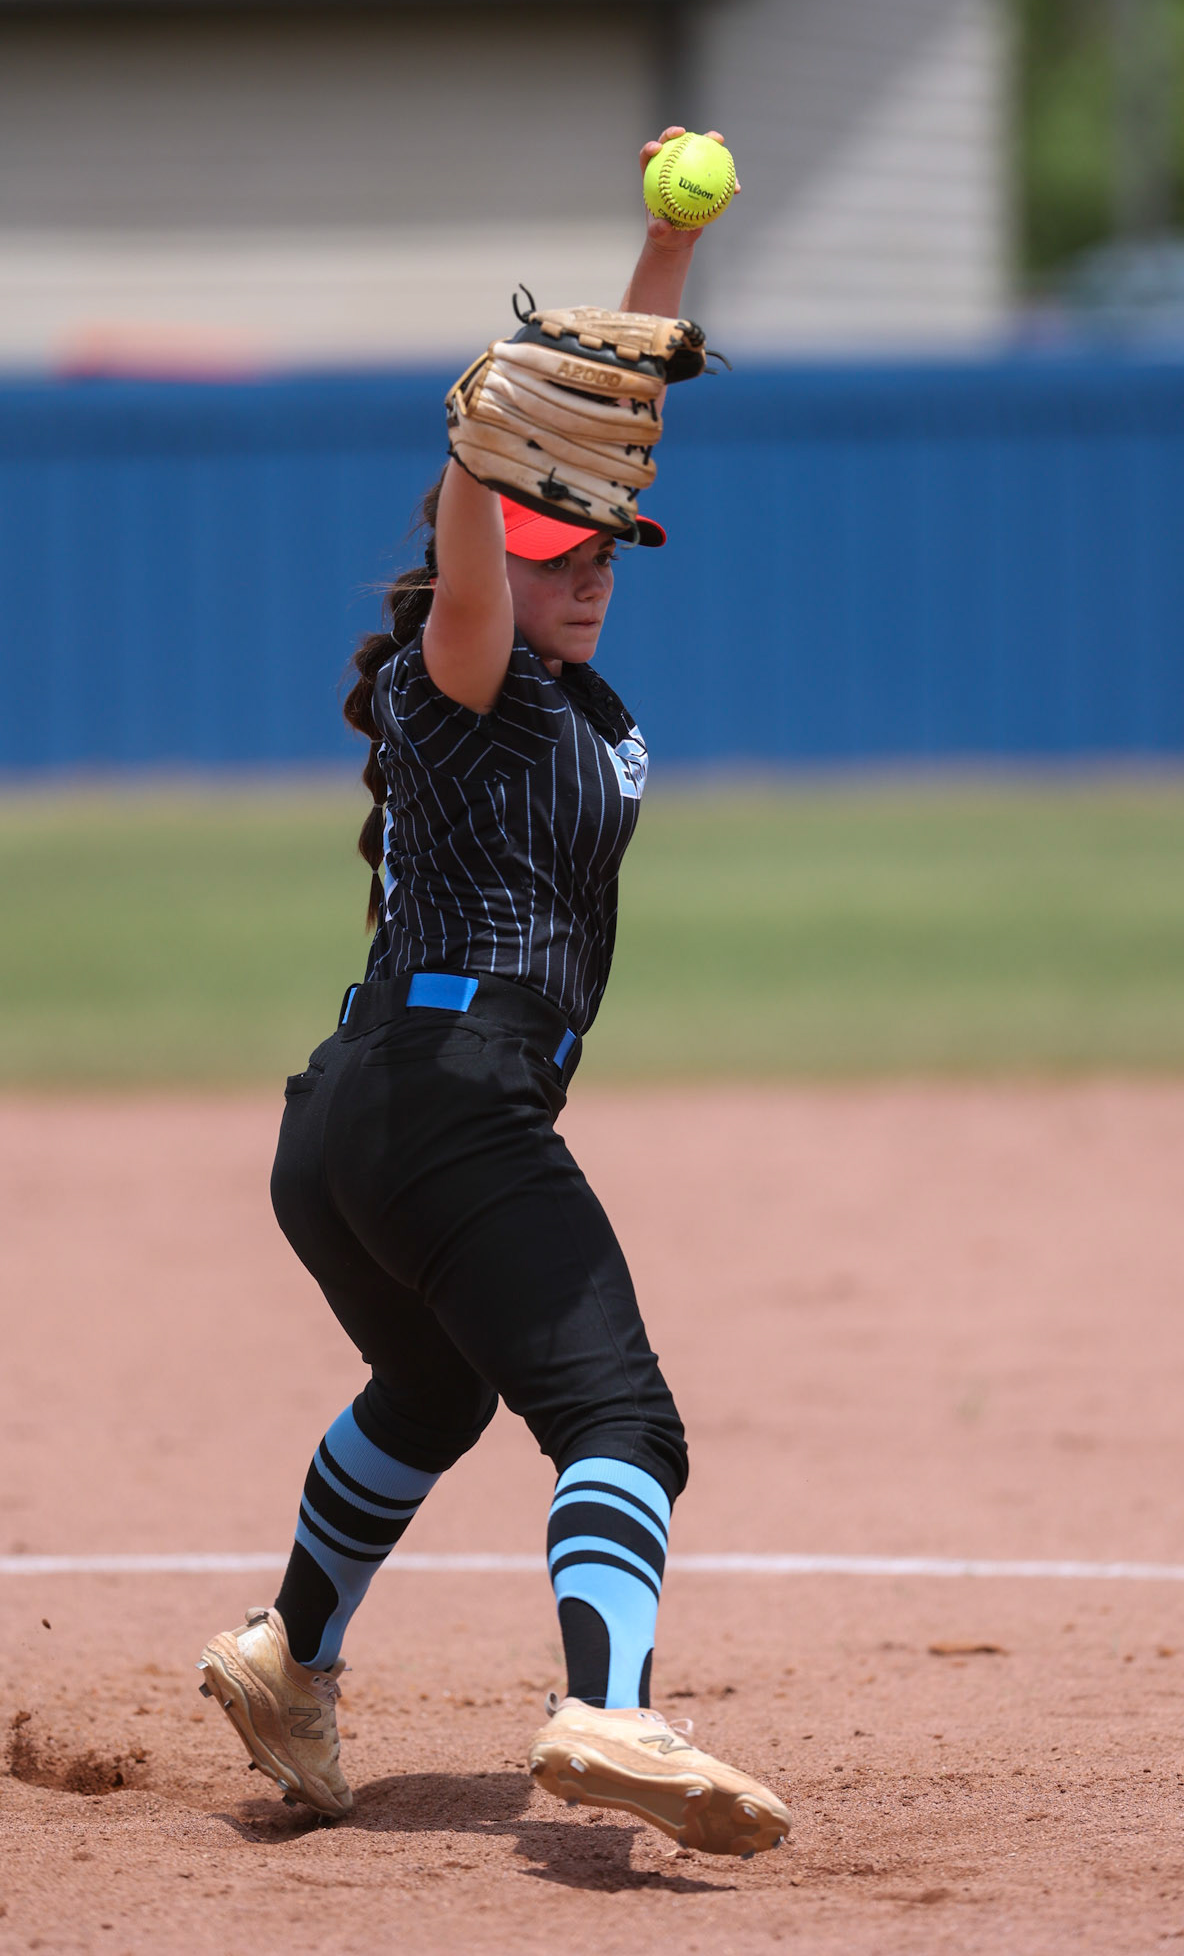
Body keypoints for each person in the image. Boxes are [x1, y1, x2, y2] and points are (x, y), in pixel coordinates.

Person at [196, 130, 790, 1860]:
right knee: (621, 1417)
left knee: (438, 1391)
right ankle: (603, 1710)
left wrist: (663, 260)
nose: (590, 564)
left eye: (603, 546)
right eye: (556, 549)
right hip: (452, 1096)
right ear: (488, 558)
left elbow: (604, 429)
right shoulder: (466, 677)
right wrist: (473, 460)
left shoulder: (558, 680)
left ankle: (285, 1657)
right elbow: (492, 527)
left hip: (359, 1116)